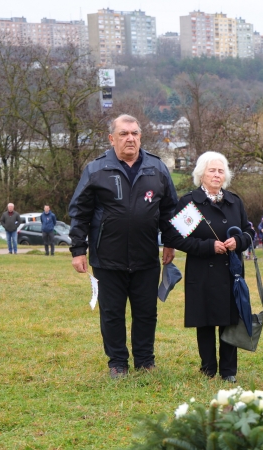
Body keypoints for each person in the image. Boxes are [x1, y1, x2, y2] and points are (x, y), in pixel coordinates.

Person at [68, 114, 178, 379]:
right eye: (124, 134)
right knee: (112, 314)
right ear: (111, 138)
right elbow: (79, 211)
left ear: (140, 136)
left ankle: (145, 360)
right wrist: (78, 250)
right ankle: (117, 363)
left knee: (146, 313)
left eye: (135, 133)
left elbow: (170, 209)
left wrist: (170, 242)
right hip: (107, 257)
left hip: (146, 257)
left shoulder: (157, 168)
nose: (130, 138)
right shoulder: (96, 169)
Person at [166, 151, 255, 383]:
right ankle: (207, 368)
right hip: (202, 272)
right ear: (201, 174)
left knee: (229, 321)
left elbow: (249, 231)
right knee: (205, 321)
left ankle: (228, 371)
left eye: (220, 170)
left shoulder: (235, 201)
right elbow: (175, 239)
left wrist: (239, 241)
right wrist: (207, 246)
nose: (217, 175)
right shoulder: (191, 203)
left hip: (230, 272)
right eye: (212, 170)